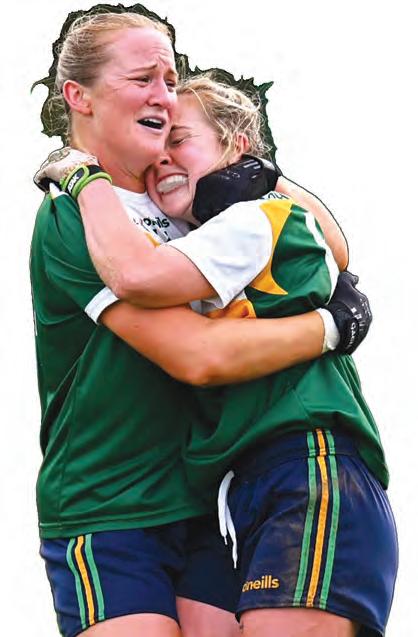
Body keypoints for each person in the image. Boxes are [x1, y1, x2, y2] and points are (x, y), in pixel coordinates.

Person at [31, 10, 372, 637]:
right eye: (143, 78)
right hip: (109, 506)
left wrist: (267, 175)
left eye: (169, 80)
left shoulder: (186, 201)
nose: (162, 95)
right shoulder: (77, 215)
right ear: (79, 96)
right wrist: (332, 326)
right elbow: (197, 356)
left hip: (202, 504)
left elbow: (331, 247)